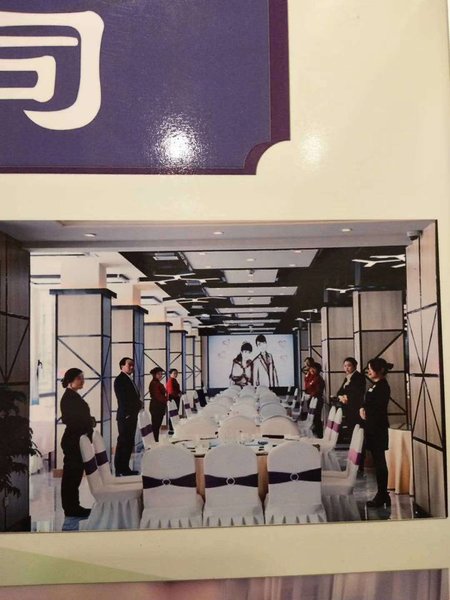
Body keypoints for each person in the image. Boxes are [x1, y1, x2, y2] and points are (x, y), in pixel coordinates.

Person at [60, 368, 95, 518]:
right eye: (79, 378)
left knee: (75, 476)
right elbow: (70, 419)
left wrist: (89, 421)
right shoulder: (68, 398)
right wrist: (88, 422)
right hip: (73, 441)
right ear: (70, 381)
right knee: (71, 476)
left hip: (77, 440)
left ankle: (74, 506)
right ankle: (71, 508)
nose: (82, 381)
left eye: (82, 377)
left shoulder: (73, 396)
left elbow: (81, 416)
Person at [360, 357, 393, 508]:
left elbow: (377, 407)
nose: (369, 371)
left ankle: (382, 494)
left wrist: (365, 409)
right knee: (377, 461)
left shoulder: (383, 386)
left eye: (371, 368)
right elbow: (367, 402)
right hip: (372, 427)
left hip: (378, 428)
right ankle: (383, 494)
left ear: (380, 370)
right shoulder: (375, 385)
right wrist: (363, 408)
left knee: (380, 462)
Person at [113, 357, 142, 476]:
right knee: (124, 442)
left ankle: (125, 468)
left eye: (132, 365)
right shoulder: (120, 380)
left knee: (128, 442)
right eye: (129, 365)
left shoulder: (128, 379)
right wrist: (128, 414)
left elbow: (133, 397)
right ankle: (120, 469)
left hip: (131, 415)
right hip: (126, 416)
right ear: (122, 366)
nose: (131, 367)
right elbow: (122, 399)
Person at [334, 357, 366, 441]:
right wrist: (341, 397)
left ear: (355, 366)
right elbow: (339, 392)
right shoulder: (347, 377)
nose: (346, 368)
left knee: (354, 427)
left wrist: (346, 396)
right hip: (347, 406)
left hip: (355, 406)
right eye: (345, 366)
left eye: (349, 366)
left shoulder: (359, 377)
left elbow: (357, 393)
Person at [305, 362, 325, 437]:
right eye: (311, 368)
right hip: (311, 399)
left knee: (317, 419)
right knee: (313, 419)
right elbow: (307, 387)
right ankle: (316, 435)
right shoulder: (311, 377)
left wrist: (311, 395)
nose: (312, 370)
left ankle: (320, 436)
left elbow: (318, 391)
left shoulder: (319, 379)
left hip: (317, 400)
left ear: (318, 370)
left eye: (314, 368)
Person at [149, 367, 168, 442]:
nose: (160, 375)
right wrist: (166, 399)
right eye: (158, 374)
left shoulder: (157, 383)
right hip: (156, 406)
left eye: (161, 374)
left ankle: (156, 441)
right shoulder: (154, 383)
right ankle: (155, 442)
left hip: (159, 406)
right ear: (154, 375)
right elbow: (158, 396)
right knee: (156, 426)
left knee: (157, 426)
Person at [166, 368, 181, 434]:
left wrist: (179, 392)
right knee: (172, 414)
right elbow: (171, 391)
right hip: (173, 399)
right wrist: (178, 394)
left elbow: (177, 389)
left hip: (175, 399)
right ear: (170, 374)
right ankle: (171, 429)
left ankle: (173, 428)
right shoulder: (171, 381)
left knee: (174, 414)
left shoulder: (174, 380)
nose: (176, 374)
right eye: (174, 373)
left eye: (177, 373)